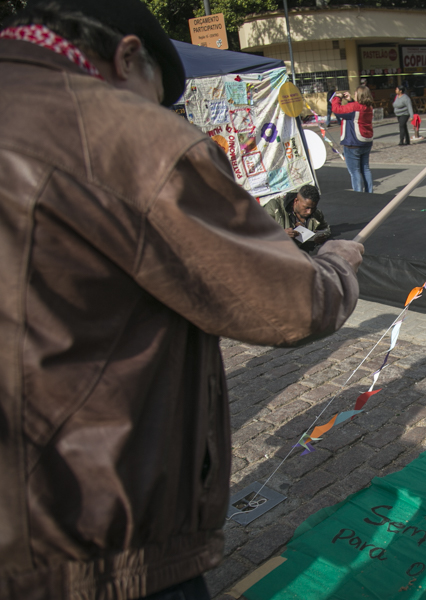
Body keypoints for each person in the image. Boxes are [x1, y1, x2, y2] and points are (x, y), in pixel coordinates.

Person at [0, 1, 364, 598]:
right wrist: (334, 265)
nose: (163, 115)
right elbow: (293, 304)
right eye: (161, 99)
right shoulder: (118, 131)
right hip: (91, 531)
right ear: (127, 57)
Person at [265, 185, 331, 253]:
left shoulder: (316, 214)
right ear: (296, 201)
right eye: (306, 207)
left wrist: (322, 236)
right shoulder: (275, 207)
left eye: (313, 208)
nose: (309, 212)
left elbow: (325, 228)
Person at [332, 86, 375, 193]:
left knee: (354, 171)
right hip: (366, 141)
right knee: (365, 169)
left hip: (353, 142)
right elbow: (353, 111)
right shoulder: (368, 107)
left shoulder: (355, 107)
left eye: (355, 94)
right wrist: (350, 100)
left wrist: (337, 98)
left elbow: (337, 110)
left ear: (359, 95)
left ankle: (358, 195)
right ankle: (370, 192)